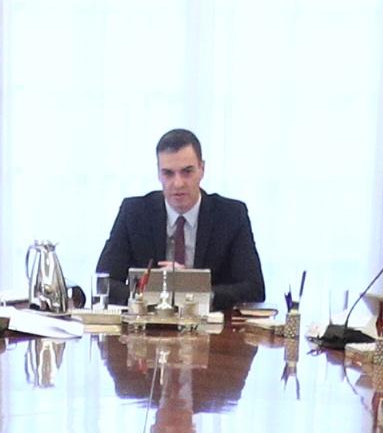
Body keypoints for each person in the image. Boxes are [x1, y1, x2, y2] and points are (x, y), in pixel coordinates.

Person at [90, 128, 265, 309]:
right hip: (148, 329)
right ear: (158, 174)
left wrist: (192, 289)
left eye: (187, 172)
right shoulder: (134, 212)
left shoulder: (231, 215)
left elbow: (254, 289)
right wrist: (158, 293)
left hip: (210, 330)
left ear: (202, 169)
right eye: (168, 173)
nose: (178, 183)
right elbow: (103, 284)